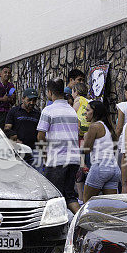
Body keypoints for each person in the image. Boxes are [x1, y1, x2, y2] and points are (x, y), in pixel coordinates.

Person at [37, 78, 81, 213]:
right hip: (73, 159)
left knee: (53, 197)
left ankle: (57, 229)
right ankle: (82, 223)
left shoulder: (48, 110)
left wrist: (44, 156)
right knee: (70, 196)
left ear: (50, 92)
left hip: (56, 160)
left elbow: (40, 136)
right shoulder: (72, 111)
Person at [81, 100, 120, 202]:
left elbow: (86, 149)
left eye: (88, 110)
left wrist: (85, 138)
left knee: (87, 202)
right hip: (114, 168)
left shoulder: (94, 127)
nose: (85, 112)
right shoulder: (108, 126)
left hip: (100, 166)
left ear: (95, 112)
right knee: (110, 205)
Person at [4, 88, 41, 162]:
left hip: (33, 150)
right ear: (23, 99)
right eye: (29, 100)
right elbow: (7, 129)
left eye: (34, 100)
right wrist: (14, 140)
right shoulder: (14, 111)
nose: (32, 102)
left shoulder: (38, 114)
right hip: (18, 149)